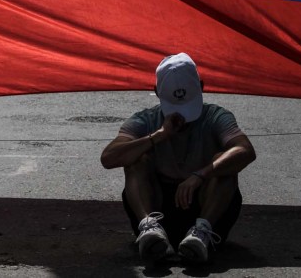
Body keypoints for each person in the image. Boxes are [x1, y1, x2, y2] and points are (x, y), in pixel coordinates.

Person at [100, 52, 256, 263]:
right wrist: (159, 135)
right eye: (175, 109)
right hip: (159, 209)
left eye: (187, 108)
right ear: (156, 93)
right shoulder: (145, 119)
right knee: (135, 158)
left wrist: (201, 174)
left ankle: (201, 234)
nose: (182, 119)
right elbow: (109, 158)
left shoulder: (216, 116)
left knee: (225, 163)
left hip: (205, 209)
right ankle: (150, 229)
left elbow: (245, 150)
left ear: (201, 87)